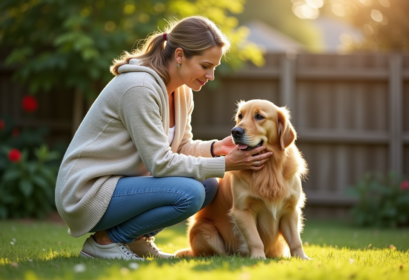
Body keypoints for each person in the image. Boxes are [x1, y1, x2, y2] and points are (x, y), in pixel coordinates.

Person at [55, 16, 273, 261]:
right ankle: (105, 242)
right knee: (189, 192)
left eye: (214, 67)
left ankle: (137, 241)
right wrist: (225, 164)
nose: (211, 75)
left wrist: (215, 148)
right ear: (179, 56)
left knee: (208, 185)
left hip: (123, 185)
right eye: (205, 66)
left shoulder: (182, 91)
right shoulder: (139, 88)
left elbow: (180, 147)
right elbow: (159, 163)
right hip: (89, 192)